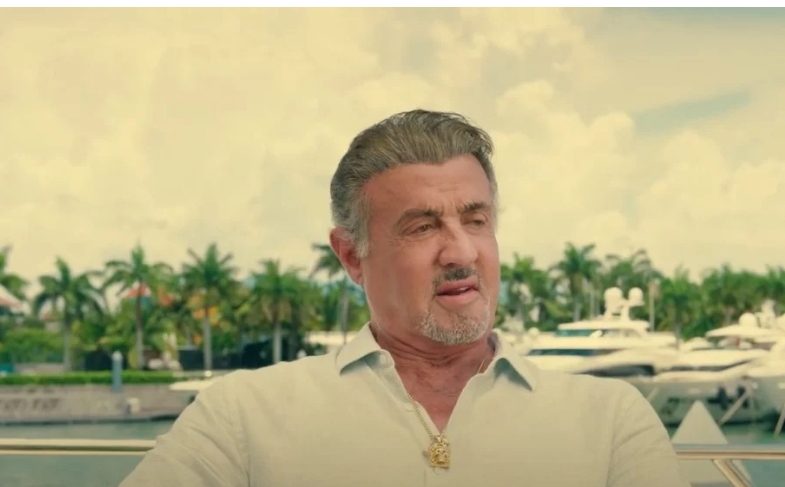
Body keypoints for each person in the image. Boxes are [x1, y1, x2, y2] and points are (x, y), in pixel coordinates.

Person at [118, 109, 689, 487]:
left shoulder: (610, 420)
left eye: (476, 220)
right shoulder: (244, 415)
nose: (461, 251)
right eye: (422, 227)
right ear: (351, 256)